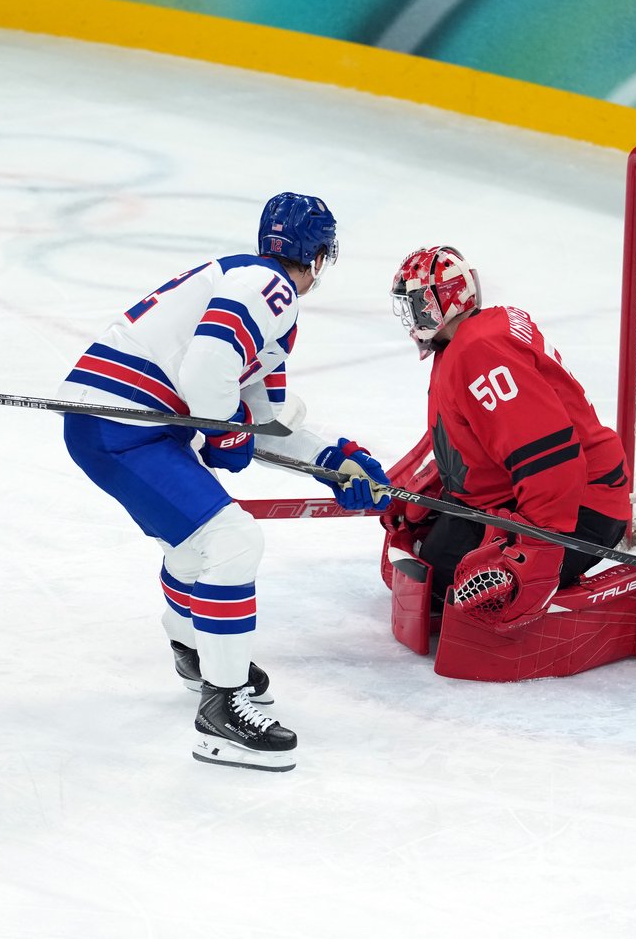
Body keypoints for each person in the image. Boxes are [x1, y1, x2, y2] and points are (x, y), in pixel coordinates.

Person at [60, 192, 391, 773]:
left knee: (195, 544)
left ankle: (196, 650)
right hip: (122, 424)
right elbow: (209, 369)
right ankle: (223, 708)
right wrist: (224, 432)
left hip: (119, 421)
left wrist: (334, 462)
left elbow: (263, 424)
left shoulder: (253, 290)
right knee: (232, 541)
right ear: (317, 257)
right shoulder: (271, 288)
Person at [380, 245, 632, 628]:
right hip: (525, 497)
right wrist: (432, 483)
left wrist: (536, 549)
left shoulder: (481, 350)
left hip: (580, 506)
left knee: (450, 586)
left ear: (443, 301)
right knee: (421, 558)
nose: (412, 316)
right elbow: (473, 432)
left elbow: (549, 457)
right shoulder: (461, 343)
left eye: (417, 303)